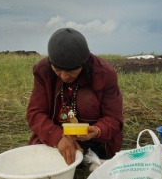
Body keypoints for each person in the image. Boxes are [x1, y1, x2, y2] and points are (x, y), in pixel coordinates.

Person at [26, 28, 124, 165]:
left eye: (71, 70)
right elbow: (35, 113)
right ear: (50, 63)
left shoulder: (104, 74)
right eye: (58, 70)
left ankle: (90, 149)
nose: (64, 76)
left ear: (83, 63)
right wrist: (57, 137)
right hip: (57, 131)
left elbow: (114, 119)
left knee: (86, 100)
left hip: (94, 139)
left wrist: (96, 130)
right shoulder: (43, 71)